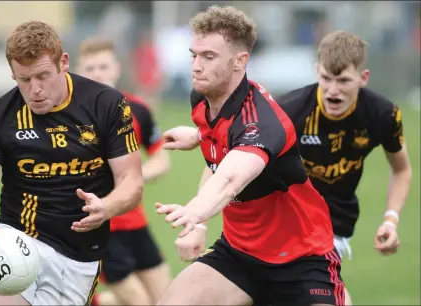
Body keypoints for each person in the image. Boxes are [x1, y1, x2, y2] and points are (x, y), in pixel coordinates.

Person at [156, 5, 345, 306]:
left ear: (239, 61)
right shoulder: (203, 100)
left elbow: (230, 178)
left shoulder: (262, 123)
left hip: (302, 259)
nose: (196, 66)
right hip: (239, 254)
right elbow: (220, 152)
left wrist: (194, 214)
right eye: (194, 54)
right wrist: (197, 136)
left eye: (208, 57)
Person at [0, 21, 144, 306]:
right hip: (18, 240)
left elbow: (131, 182)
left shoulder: (106, 104)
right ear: (13, 74)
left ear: (64, 62)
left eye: (43, 76)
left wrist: (107, 207)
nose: (35, 89)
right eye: (24, 79)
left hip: (81, 255)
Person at [275, 30, 412, 305]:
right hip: (281, 220)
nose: (333, 90)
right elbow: (236, 158)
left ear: (363, 78)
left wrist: (390, 220)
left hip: (332, 224)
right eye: (326, 78)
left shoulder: (382, 115)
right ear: (316, 72)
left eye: (344, 81)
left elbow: (402, 170)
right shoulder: (290, 111)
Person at [75, 37, 172, 305]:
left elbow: (161, 160)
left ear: (117, 68)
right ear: (79, 72)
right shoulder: (68, 118)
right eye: (90, 68)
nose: (97, 73)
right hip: (98, 228)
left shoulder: (138, 110)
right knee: (139, 302)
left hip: (136, 222)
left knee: (169, 299)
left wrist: (130, 180)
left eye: (103, 66)